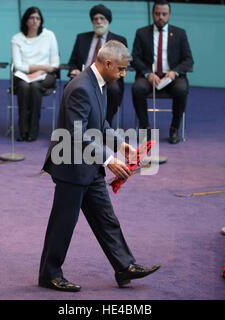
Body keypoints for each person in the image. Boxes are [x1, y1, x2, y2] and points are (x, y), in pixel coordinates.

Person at [39, 40, 160, 292]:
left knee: (106, 219)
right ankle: (49, 275)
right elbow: (77, 134)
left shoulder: (99, 84)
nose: (124, 74)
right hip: (71, 168)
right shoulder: (81, 87)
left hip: (89, 166)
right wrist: (109, 159)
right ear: (107, 63)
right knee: (63, 224)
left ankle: (124, 265)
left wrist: (120, 144)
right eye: (121, 69)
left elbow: (100, 123)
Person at [132, 0, 194, 144]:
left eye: (164, 14)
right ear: (153, 14)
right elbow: (134, 58)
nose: (161, 17)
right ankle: (145, 127)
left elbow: (188, 60)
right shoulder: (141, 33)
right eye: (157, 13)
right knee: (137, 89)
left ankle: (174, 128)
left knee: (181, 89)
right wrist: (148, 73)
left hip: (171, 77)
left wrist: (174, 72)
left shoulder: (180, 33)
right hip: (149, 76)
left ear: (169, 15)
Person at [67, 4, 127, 126]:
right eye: (95, 19)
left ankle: (105, 123)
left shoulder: (119, 40)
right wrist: (74, 70)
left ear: (108, 21)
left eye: (102, 18)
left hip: (108, 78)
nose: (98, 21)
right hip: (85, 77)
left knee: (114, 89)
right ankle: (78, 124)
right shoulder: (82, 38)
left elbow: (122, 64)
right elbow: (72, 62)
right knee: (70, 87)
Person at [11, 7, 60, 142]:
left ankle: (33, 129)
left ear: (41, 20)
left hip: (45, 75)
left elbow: (55, 63)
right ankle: (22, 130)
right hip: (23, 75)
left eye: (37, 18)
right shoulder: (17, 39)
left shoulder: (49, 35)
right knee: (25, 87)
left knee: (35, 87)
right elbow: (18, 65)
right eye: (31, 18)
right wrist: (40, 67)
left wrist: (41, 70)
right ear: (26, 20)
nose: (35, 21)